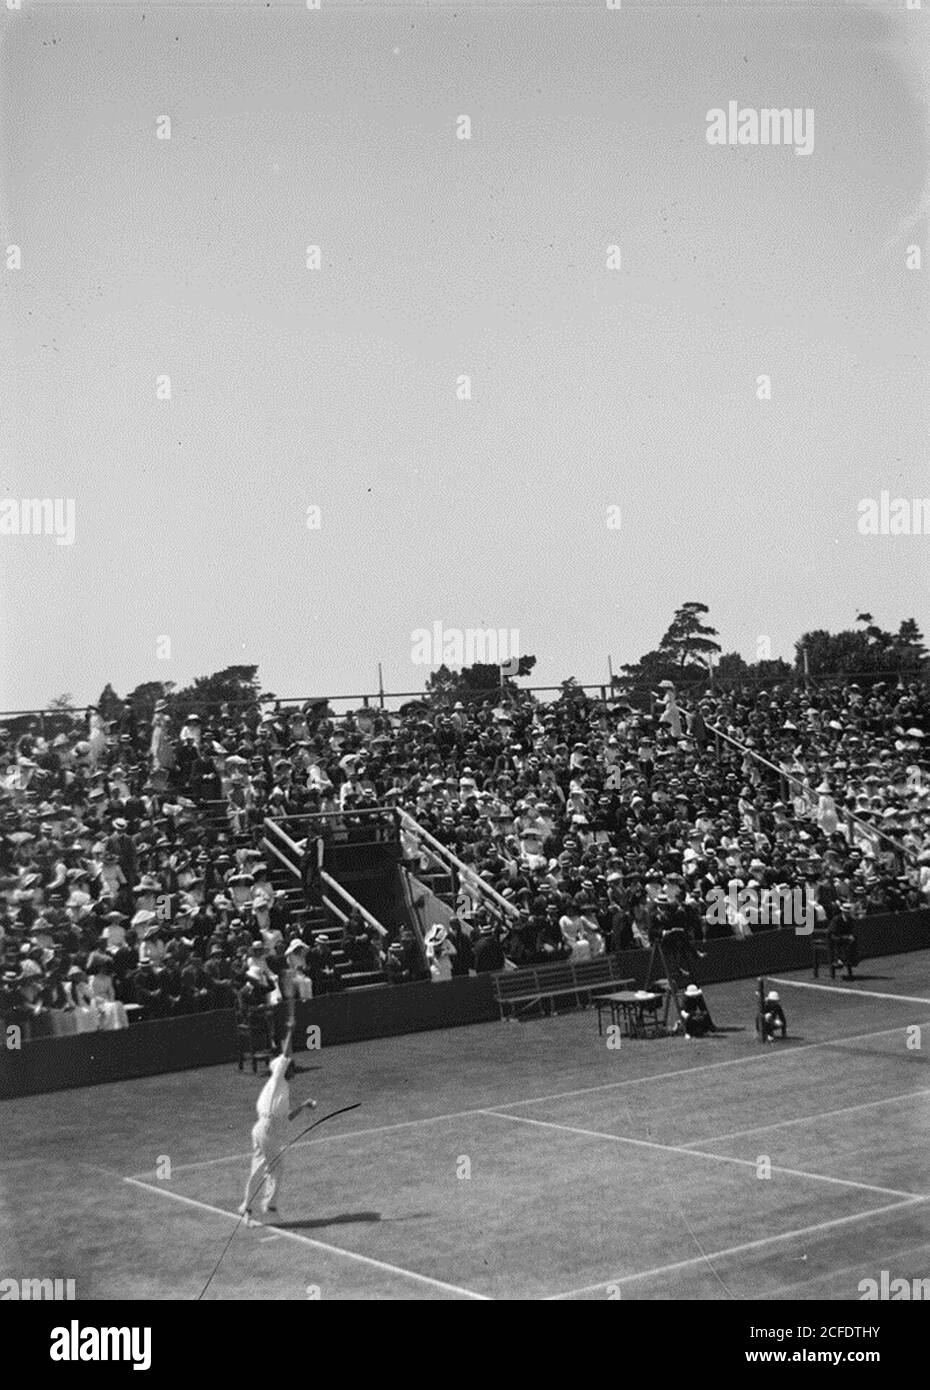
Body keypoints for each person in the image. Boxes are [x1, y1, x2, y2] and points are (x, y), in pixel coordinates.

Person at [238, 1026, 316, 1223]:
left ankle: (246, 1206)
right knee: (277, 1167)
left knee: (258, 1169)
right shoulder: (277, 1077)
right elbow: (286, 1053)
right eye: (292, 1067)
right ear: (284, 1068)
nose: (294, 1070)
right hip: (266, 1130)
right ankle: (270, 1208)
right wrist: (290, 1029)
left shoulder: (283, 1088)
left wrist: (303, 1106)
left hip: (262, 1129)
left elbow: (285, 1118)